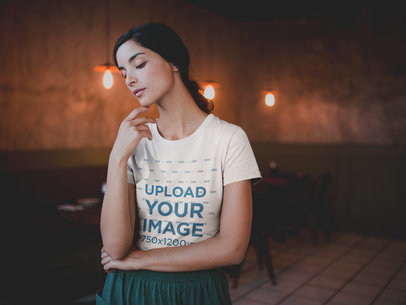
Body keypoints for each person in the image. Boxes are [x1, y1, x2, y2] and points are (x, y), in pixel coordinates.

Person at [97, 22, 261, 305]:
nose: (129, 80)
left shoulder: (229, 138)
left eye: (139, 64)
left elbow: (232, 249)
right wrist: (117, 158)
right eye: (123, 73)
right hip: (128, 290)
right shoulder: (136, 142)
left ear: (173, 60)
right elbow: (114, 247)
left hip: (198, 291)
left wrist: (140, 260)